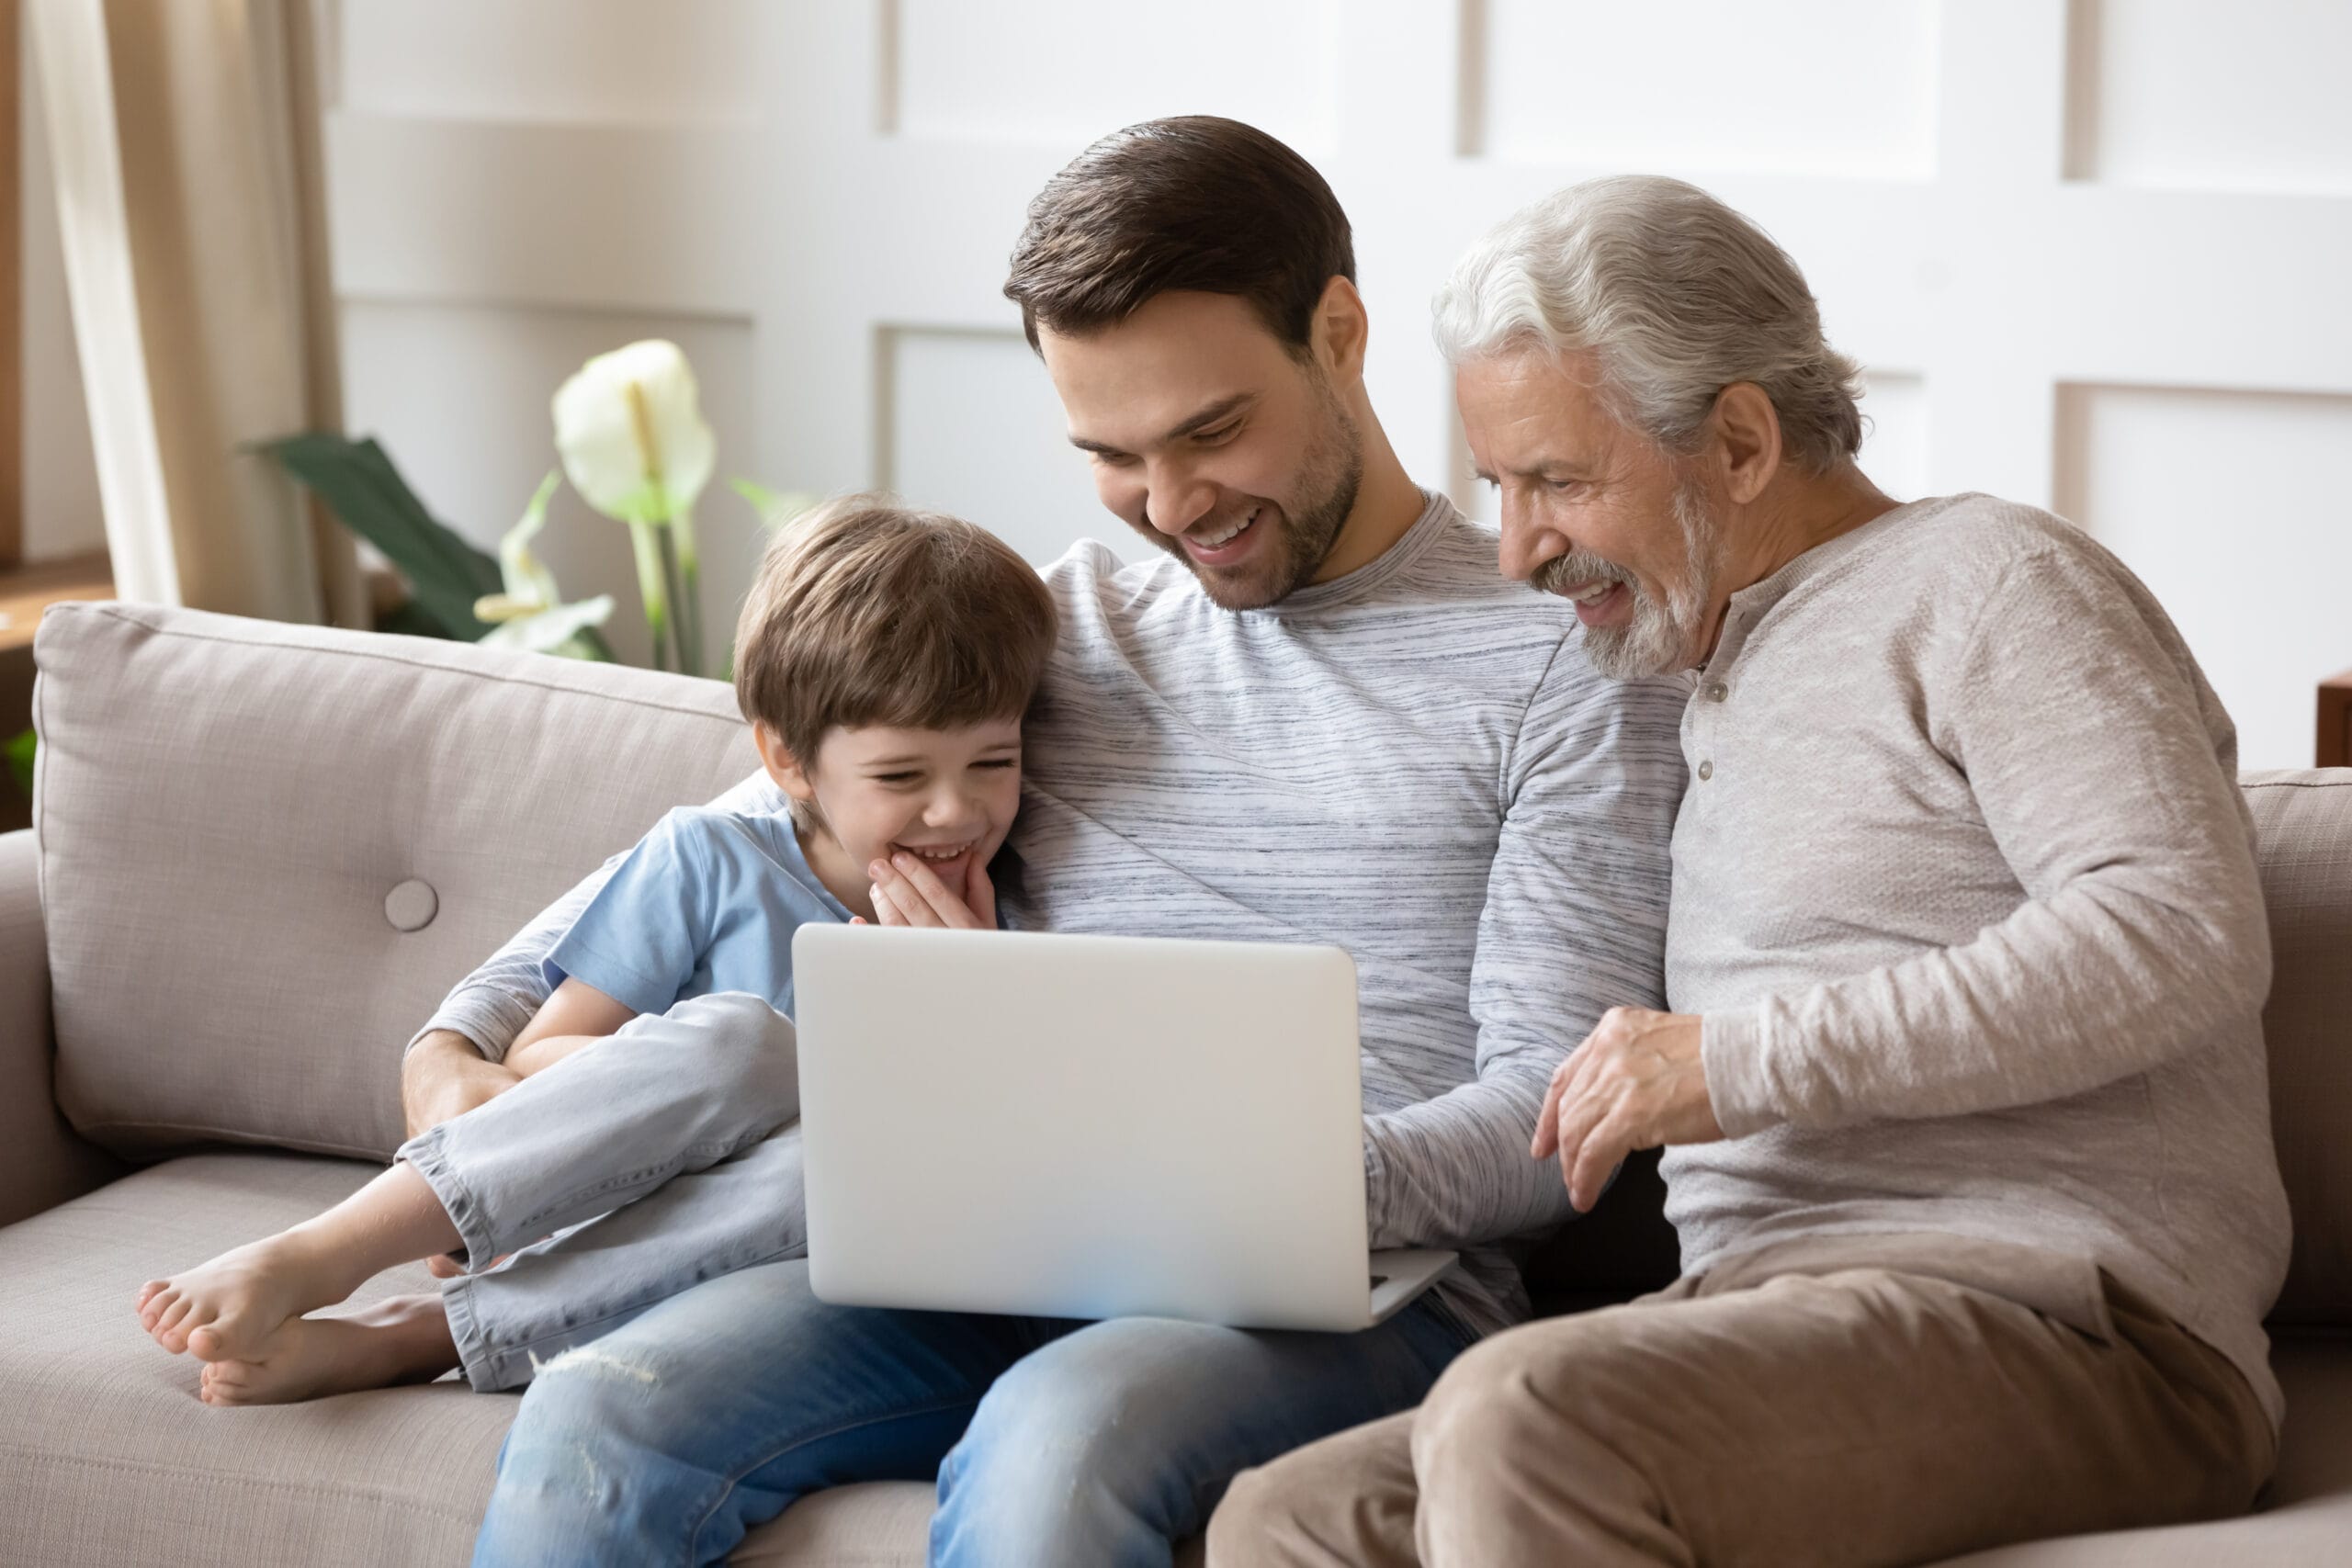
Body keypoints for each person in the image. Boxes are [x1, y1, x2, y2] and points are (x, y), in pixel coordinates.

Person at [400, 118, 1690, 1567]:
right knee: (601, 1406)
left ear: (1340, 331)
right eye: (1112, 453)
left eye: (1211, 431)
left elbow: (1547, 1111)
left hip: (1363, 1289)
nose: (1174, 504)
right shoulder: (1059, 627)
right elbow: (758, 821)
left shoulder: (1557, 666)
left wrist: (1238, 1181)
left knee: (1055, 1444)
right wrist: (470, 1029)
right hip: (990, 1242)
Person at [1209, 175, 2291, 1568]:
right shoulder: (1692, 668)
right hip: (1757, 1315)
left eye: (1559, 479)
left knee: (1517, 1408)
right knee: (1289, 1512)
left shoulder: (1993, 580)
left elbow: (2179, 926)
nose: (1522, 544)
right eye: (1498, 484)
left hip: (2076, 1316)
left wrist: (1735, 1062)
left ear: (1735, 439)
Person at [132, 497, 1057, 1404]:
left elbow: (970, 1157)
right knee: (743, 1041)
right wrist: (776, 1073)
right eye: (901, 776)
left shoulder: (1005, 913)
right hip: (596, 1190)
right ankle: (321, 1254)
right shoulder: (709, 859)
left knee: (849, 1154)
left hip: (750, 1243)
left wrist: (956, 996)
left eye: (994, 762)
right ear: (786, 760)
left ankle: (419, 1334)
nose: (957, 810)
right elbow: (536, 1056)